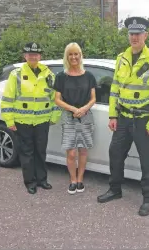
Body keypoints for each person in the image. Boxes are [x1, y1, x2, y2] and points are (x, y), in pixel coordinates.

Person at [97, 17, 149, 216]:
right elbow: (115, 89)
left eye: (138, 34)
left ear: (146, 35)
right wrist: (113, 115)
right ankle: (115, 189)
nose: (134, 37)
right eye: (131, 33)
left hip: (144, 119)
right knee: (115, 154)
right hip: (123, 118)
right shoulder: (121, 58)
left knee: (147, 161)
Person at [1, 42, 62, 194]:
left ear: (40, 56)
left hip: (42, 121)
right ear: (25, 56)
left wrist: (55, 115)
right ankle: (30, 182)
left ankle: (42, 180)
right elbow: (8, 98)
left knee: (41, 151)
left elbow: (56, 97)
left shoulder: (49, 75)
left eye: (36, 54)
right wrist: (9, 120)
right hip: (23, 121)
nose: (33, 57)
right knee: (27, 152)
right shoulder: (16, 75)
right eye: (30, 54)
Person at [53, 42, 97, 194]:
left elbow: (93, 98)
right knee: (71, 152)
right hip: (68, 116)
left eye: (76, 54)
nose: (73, 57)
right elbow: (57, 99)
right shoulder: (61, 77)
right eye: (70, 54)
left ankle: (80, 180)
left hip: (86, 117)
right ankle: (72, 180)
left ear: (80, 55)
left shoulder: (89, 76)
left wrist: (84, 109)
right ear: (67, 56)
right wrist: (74, 109)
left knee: (83, 151)